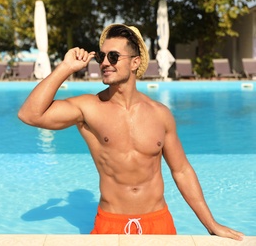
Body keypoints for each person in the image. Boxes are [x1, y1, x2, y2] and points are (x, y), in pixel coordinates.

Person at [18, 24, 244, 240]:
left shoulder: (160, 114)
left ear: (135, 62)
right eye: (101, 56)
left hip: (159, 222)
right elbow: (29, 115)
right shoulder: (88, 108)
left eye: (114, 56)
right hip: (110, 222)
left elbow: (182, 171)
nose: (105, 62)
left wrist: (211, 225)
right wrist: (65, 68)